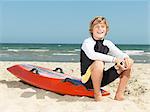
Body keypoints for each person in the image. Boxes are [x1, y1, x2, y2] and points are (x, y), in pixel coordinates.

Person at [80, 16, 134, 101]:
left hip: (101, 78)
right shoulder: (88, 42)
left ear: (106, 30)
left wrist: (127, 58)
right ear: (91, 30)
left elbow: (120, 54)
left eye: (102, 26)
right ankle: (97, 95)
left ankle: (119, 95)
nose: (100, 29)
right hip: (87, 80)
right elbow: (92, 55)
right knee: (99, 63)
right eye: (97, 26)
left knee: (127, 64)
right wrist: (114, 60)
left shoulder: (107, 43)